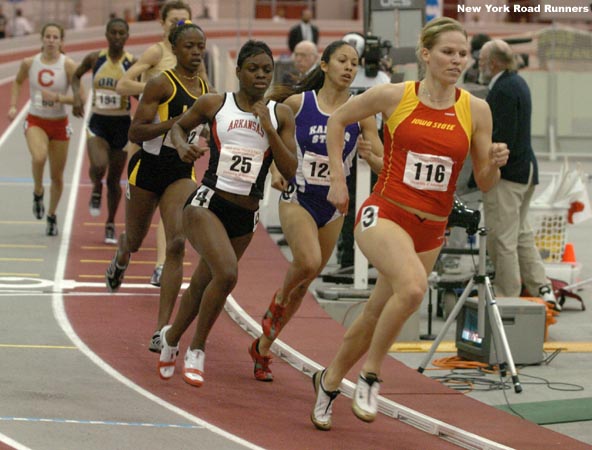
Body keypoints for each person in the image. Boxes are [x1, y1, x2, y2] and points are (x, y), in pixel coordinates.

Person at [309, 17, 509, 430]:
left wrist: (493, 164)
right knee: (415, 288)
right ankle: (371, 375)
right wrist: (334, 176)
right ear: (425, 54)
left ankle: (328, 381)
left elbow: (486, 183)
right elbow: (337, 120)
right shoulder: (395, 95)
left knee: (374, 314)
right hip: (385, 213)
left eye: (463, 53)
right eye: (447, 52)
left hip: (432, 227)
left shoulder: (477, 109)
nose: (457, 61)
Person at [157, 40, 297, 388]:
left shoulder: (280, 115)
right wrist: (182, 145)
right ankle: (197, 349)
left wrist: (268, 128)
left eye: (267, 69)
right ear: (239, 72)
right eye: (254, 69)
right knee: (228, 273)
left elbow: (290, 168)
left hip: (245, 216)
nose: (261, 75)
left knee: (205, 282)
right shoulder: (216, 103)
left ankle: (171, 338)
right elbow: (177, 126)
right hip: (207, 203)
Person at [248, 40, 383, 382]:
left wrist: (372, 156)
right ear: (324, 65)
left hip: (333, 210)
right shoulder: (297, 102)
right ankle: (276, 301)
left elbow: (385, 165)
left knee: (304, 284)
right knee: (306, 262)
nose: (350, 67)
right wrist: (277, 171)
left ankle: (263, 347)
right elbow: (268, 135)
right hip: (299, 198)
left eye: (355, 62)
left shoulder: (361, 113)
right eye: (342, 60)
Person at [105, 21, 210, 355]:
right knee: (135, 241)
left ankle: (161, 329)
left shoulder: (206, 89)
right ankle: (122, 254)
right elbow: (135, 133)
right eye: (189, 46)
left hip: (180, 172)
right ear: (174, 49)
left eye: (199, 46)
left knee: (177, 243)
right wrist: (175, 125)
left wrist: (199, 141)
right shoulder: (160, 84)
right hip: (147, 170)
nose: (195, 52)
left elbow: (205, 131)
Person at [116, 0, 200, 287]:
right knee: (135, 237)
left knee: (174, 221)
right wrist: (160, 90)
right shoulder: (157, 53)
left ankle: (162, 265)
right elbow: (123, 85)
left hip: (178, 159)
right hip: (148, 144)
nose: (180, 26)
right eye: (175, 21)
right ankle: (124, 253)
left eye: (185, 21)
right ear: (163, 24)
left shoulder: (197, 66)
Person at [478, 39, 560, 310]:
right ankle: (542, 288)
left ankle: (507, 297)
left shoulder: (501, 90)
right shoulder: (518, 82)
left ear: (493, 63)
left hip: (509, 176)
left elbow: (501, 136)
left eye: (481, 60)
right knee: (522, 234)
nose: (478, 65)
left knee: (503, 238)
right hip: (527, 171)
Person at [8, 23, 80, 236]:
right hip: (36, 120)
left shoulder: (68, 66)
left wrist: (58, 97)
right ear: (42, 39)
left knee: (57, 176)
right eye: (47, 36)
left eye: (55, 36)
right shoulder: (29, 63)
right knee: (39, 157)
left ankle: (51, 215)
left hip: (59, 123)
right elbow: (18, 82)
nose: (50, 40)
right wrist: (13, 105)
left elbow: (80, 98)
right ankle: (38, 191)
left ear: (61, 41)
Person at [71, 18, 136, 244]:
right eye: (113, 33)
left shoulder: (132, 63)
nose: (117, 37)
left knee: (115, 181)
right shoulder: (95, 59)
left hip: (122, 126)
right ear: (106, 35)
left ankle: (110, 223)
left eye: (121, 33)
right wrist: (77, 98)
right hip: (98, 122)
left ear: (127, 36)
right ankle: (96, 186)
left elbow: (140, 92)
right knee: (99, 165)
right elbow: (75, 75)